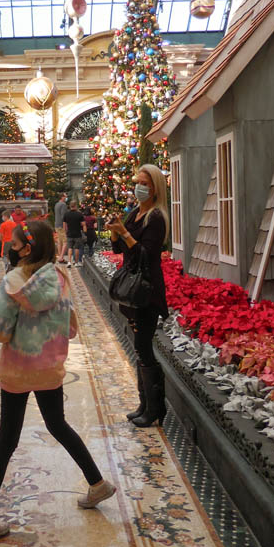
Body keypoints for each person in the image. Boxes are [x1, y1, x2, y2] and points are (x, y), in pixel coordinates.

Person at [0, 219, 116, 541]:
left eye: (16, 241)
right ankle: (97, 483)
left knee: (6, 440)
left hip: (17, 369)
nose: (12, 246)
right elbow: (72, 326)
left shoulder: (12, 281)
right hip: (50, 367)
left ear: (26, 247)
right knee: (58, 424)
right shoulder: (60, 277)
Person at [108, 164, 169, 428]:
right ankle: (144, 404)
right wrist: (116, 231)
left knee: (144, 346)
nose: (139, 186)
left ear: (154, 187)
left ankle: (156, 408)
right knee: (138, 347)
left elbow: (147, 254)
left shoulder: (156, 217)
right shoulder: (135, 213)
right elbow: (121, 248)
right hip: (132, 290)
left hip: (147, 291)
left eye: (144, 182)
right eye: (137, 181)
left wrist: (125, 234)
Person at [63, 199, 86, 268]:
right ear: (75, 206)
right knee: (76, 248)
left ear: (70, 206)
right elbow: (83, 224)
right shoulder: (79, 214)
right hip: (77, 234)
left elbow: (64, 225)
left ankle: (69, 262)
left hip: (69, 234)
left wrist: (65, 232)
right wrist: (84, 231)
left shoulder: (66, 214)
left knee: (70, 248)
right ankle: (76, 262)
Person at [54, 192, 68, 264]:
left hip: (56, 224)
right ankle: (61, 257)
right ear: (62, 197)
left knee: (59, 241)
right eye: (65, 196)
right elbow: (63, 217)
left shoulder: (56, 204)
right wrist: (65, 226)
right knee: (65, 241)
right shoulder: (63, 205)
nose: (66, 197)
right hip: (61, 225)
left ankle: (60, 256)